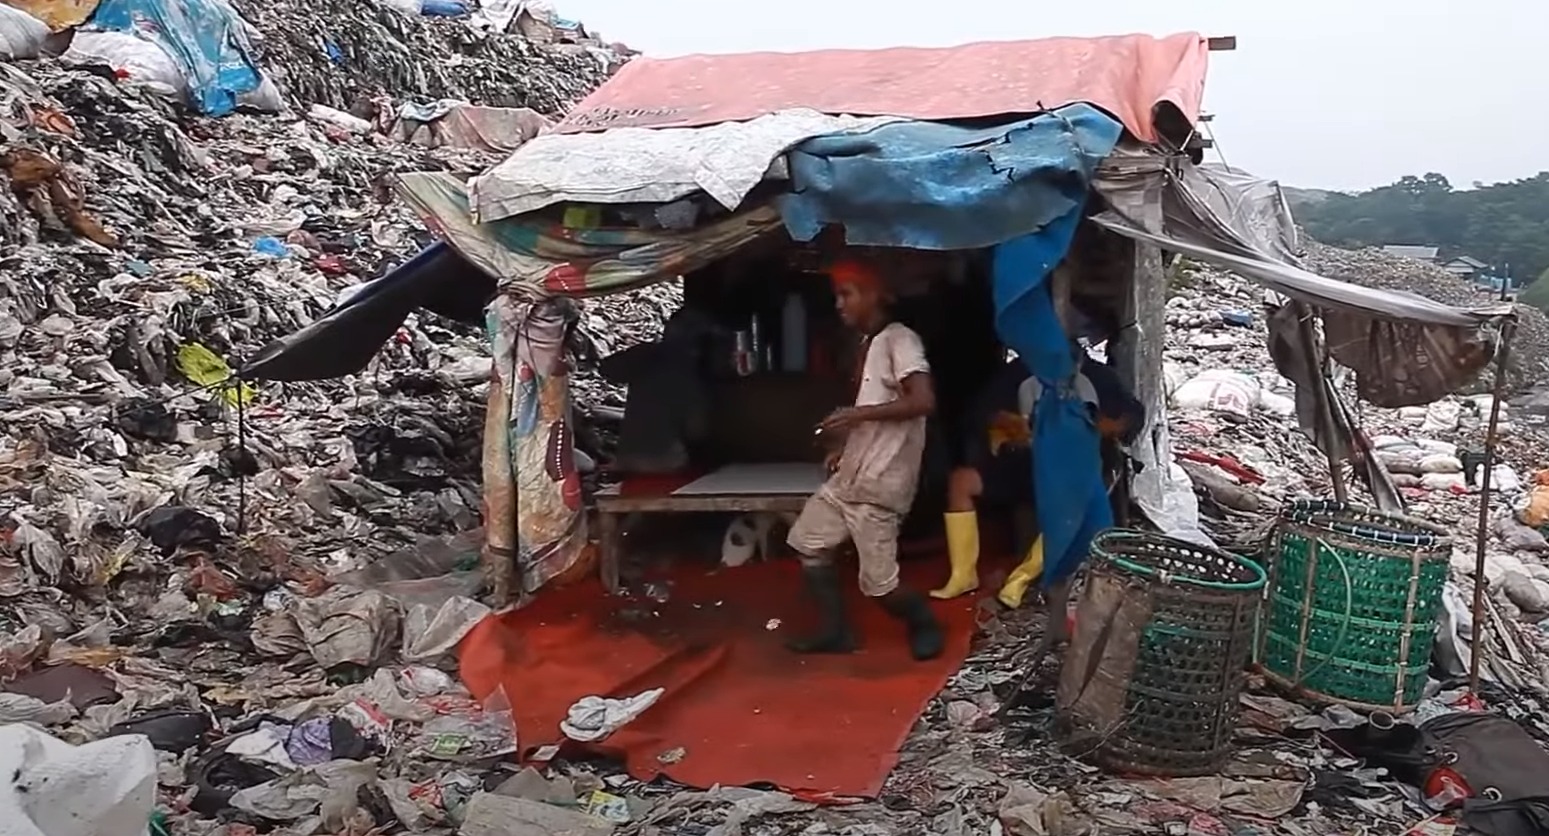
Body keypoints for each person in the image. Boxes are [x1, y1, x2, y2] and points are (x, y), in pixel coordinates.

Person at [784, 258, 945, 661]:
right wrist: (842, 446)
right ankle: (836, 631)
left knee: (880, 586)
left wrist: (856, 416)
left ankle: (923, 620)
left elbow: (923, 401)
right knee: (808, 543)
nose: (839, 304)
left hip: (881, 483)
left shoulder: (900, 340)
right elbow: (875, 407)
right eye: (837, 295)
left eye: (847, 294)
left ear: (874, 295)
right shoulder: (866, 344)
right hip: (852, 477)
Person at [932, 346, 1144, 615]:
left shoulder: (1102, 378)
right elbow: (983, 414)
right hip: (1026, 466)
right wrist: (1003, 424)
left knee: (1075, 501)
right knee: (962, 481)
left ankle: (1021, 578)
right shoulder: (1018, 373)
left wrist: (1110, 426)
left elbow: (1133, 416)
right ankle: (963, 575)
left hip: (1079, 473)